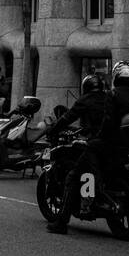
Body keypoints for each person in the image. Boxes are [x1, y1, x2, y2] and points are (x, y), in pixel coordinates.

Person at [45, 73, 108, 235]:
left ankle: (61, 223)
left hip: (95, 143)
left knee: (72, 177)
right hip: (114, 145)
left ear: (86, 87)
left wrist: (53, 130)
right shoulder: (109, 98)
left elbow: (67, 117)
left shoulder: (86, 100)